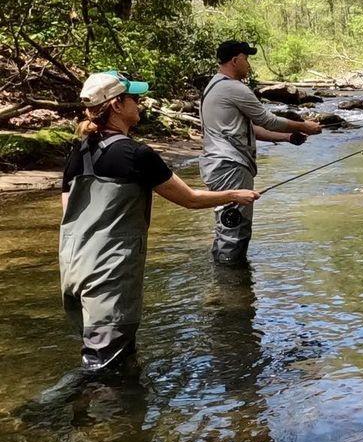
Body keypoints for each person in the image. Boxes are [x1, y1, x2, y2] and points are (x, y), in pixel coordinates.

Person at [60, 70, 260, 371]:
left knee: (102, 354)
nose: (139, 105)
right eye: (134, 99)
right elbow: (190, 199)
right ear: (116, 105)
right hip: (110, 272)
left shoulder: (79, 152)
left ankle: (109, 414)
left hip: (73, 269)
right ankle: (83, 412)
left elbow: (67, 212)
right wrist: (235, 194)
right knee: (107, 368)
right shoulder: (135, 154)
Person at [199, 40, 321, 264]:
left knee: (227, 225)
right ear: (235, 60)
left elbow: (251, 129)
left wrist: (287, 137)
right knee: (235, 229)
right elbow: (268, 120)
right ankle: (232, 289)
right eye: (247, 58)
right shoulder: (233, 87)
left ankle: (224, 283)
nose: (249, 64)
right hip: (230, 166)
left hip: (216, 164)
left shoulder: (213, 86)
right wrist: (305, 126)